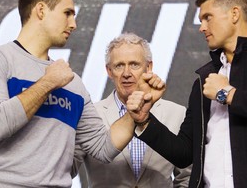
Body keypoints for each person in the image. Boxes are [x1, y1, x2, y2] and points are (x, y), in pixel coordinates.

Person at [0, 0, 165, 187]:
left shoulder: (73, 83)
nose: (73, 24)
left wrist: (137, 110)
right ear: (41, 10)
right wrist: (48, 83)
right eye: (67, 13)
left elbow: (103, 147)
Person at [128, 0, 247, 188]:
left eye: (207, 17)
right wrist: (145, 121)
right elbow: (185, 153)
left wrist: (228, 94)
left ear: (234, 14)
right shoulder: (205, 78)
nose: (201, 27)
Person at [73, 33, 192, 188]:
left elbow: (188, 177)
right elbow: (67, 168)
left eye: (134, 64)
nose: (127, 73)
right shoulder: (90, 114)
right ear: (109, 71)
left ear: (148, 67)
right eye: (119, 66)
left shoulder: (177, 113)